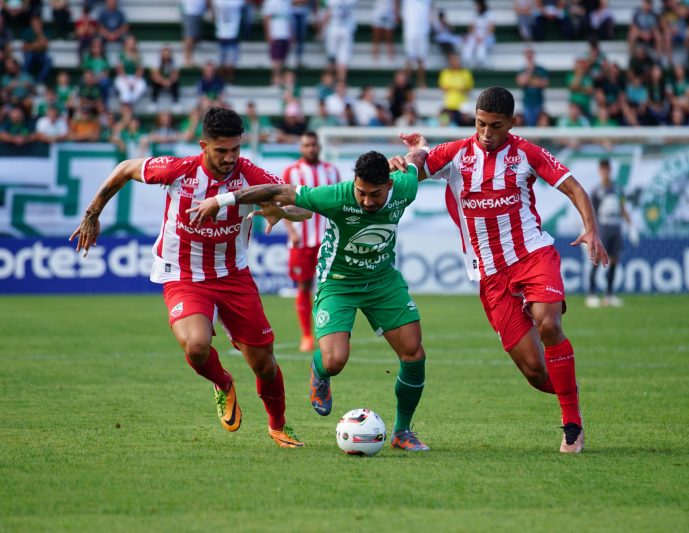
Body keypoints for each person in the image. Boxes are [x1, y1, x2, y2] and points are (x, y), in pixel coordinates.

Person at [69, 107, 308, 449]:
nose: (229, 158)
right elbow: (124, 169)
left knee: (265, 365)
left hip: (233, 277)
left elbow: (302, 204)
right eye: (221, 150)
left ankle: (278, 425)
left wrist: (281, 210)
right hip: (183, 275)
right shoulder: (179, 170)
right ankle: (223, 383)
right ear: (204, 145)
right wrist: (92, 213)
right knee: (196, 347)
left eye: (235, 150)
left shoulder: (250, 174)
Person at [396, 86, 609, 453]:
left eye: (495, 126)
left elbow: (575, 188)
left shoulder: (526, 153)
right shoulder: (457, 154)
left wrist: (590, 228)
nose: (486, 133)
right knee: (535, 372)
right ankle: (568, 391)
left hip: (532, 255)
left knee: (548, 323)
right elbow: (420, 163)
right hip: (490, 275)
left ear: (511, 122)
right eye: (480, 124)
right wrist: (409, 158)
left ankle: (571, 425)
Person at [186, 150, 432, 452]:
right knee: (334, 360)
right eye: (361, 193)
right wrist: (222, 200)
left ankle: (402, 431)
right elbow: (278, 190)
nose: (367, 202)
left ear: (390, 187)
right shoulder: (334, 196)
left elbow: (417, 162)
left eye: (375, 195)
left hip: (383, 282)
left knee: (414, 353)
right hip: (338, 284)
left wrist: (415, 149)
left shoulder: (405, 187)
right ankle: (320, 372)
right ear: (353, 184)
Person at [280, 131, 340, 352]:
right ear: (301, 148)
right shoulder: (291, 172)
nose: (311, 149)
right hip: (301, 239)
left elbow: (337, 202)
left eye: (314, 145)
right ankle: (306, 335)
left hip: (327, 239)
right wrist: (291, 230)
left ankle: (330, 332)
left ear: (319, 146)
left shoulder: (331, 171)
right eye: (307, 145)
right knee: (304, 286)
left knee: (330, 286)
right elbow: (281, 204)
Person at [586, 159, 632, 308]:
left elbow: (622, 208)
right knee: (597, 259)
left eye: (607, 169)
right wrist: (587, 229)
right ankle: (592, 294)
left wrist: (631, 226)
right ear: (600, 171)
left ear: (610, 170)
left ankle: (609, 295)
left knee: (614, 260)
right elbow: (590, 211)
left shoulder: (618, 189)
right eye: (603, 169)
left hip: (616, 229)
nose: (605, 172)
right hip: (603, 230)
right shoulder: (596, 191)